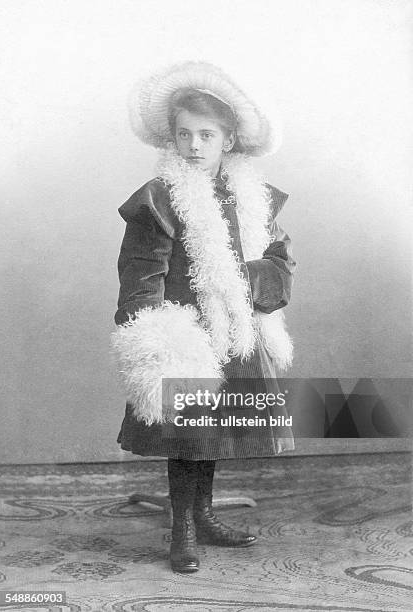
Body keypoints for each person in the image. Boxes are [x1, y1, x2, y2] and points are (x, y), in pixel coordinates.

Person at [111, 61, 296, 573]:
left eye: (206, 135)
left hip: (236, 327)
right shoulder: (161, 199)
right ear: (173, 139)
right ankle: (183, 528)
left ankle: (206, 514)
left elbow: (279, 259)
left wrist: (249, 280)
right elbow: (140, 275)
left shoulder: (251, 198)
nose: (194, 145)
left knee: (212, 432)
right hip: (184, 329)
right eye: (184, 134)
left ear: (228, 140)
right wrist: (153, 336)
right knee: (187, 434)